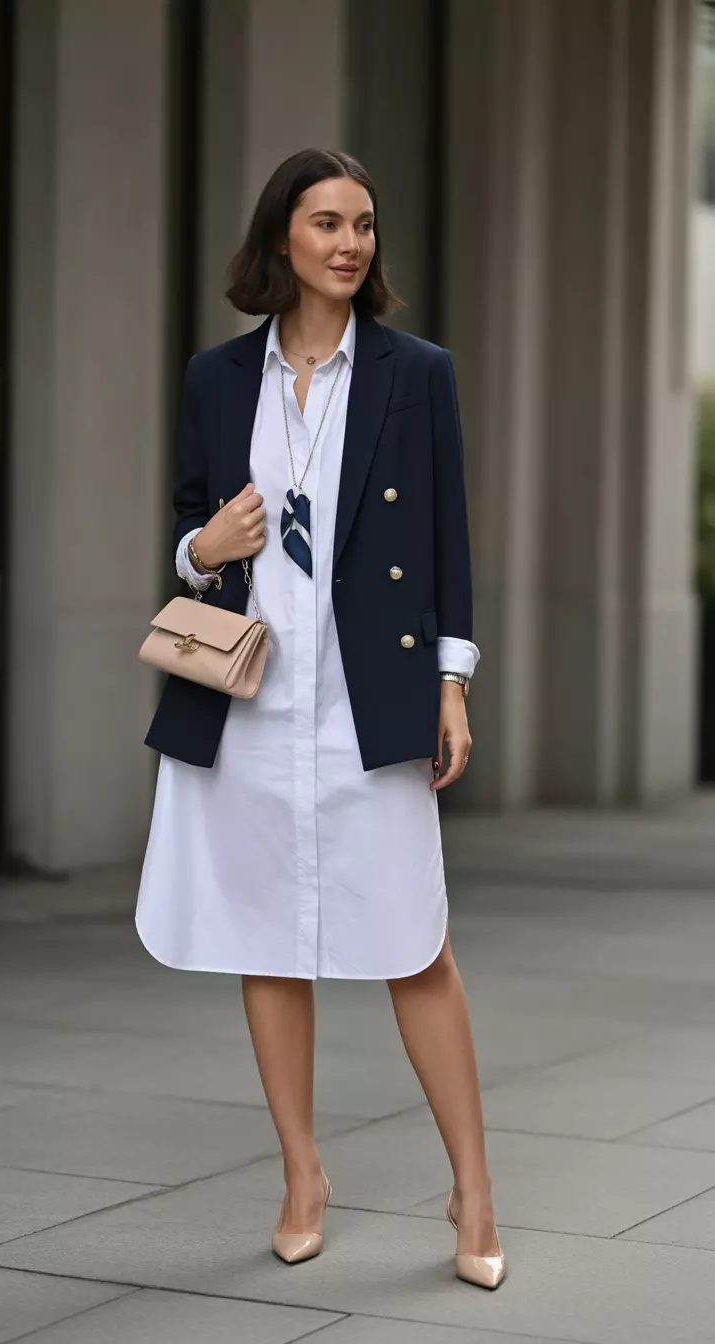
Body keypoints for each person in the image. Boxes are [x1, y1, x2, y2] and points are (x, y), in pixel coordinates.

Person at [136, 148, 505, 1289]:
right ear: (282, 239)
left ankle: (473, 1188)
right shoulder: (214, 378)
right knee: (264, 938)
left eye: (365, 224)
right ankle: (302, 1174)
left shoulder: (415, 372)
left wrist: (451, 684)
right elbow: (193, 535)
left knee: (413, 939)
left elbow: (446, 539)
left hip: (367, 697)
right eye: (328, 222)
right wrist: (210, 549)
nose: (351, 242)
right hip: (251, 700)